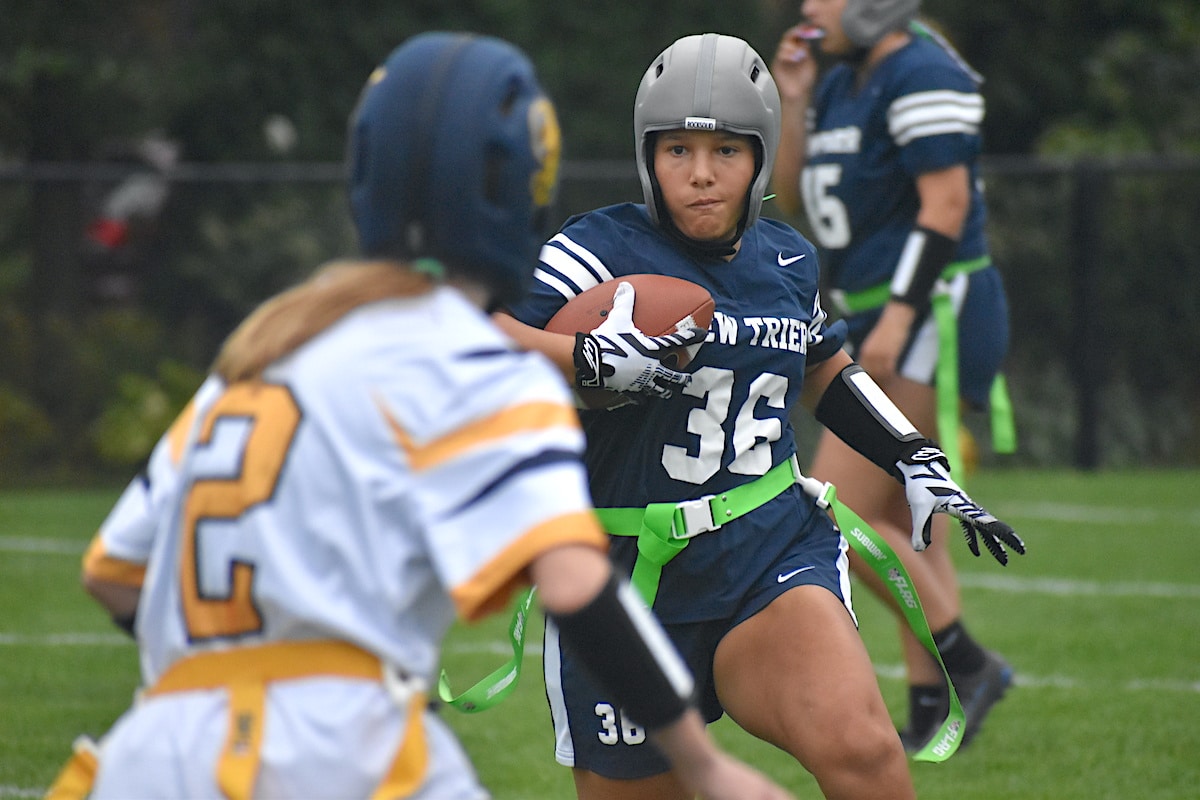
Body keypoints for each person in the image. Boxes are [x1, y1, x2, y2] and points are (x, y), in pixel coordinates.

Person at [56, 32, 796, 800]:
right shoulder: (476, 368)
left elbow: (112, 573)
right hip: (339, 746)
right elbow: (577, 587)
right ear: (518, 190)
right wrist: (704, 766)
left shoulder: (267, 347)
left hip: (149, 750)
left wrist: (223, 679)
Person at [495, 32, 1023, 800]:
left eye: (726, 152)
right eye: (677, 151)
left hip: (764, 553)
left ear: (762, 156)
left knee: (866, 753)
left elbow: (822, 367)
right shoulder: (594, 251)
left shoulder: (785, 259)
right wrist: (578, 356)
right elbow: (475, 331)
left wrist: (910, 452)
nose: (701, 175)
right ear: (648, 156)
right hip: (624, 575)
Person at [769, 0, 1016, 752]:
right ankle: (934, 698)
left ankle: (966, 662)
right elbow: (792, 197)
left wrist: (900, 318)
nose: (811, 8)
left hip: (929, 310)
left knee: (832, 505)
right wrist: (795, 98)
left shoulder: (921, 68)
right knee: (917, 514)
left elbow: (943, 207)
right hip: (887, 313)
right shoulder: (844, 84)